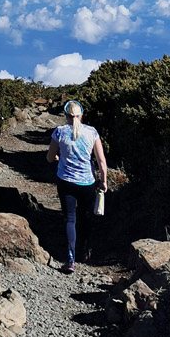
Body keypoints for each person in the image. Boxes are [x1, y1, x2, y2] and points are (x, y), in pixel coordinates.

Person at [46, 99, 107, 273]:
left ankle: (71, 258)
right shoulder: (92, 132)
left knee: (70, 218)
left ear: (66, 115)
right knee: (86, 216)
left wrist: (57, 158)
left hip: (66, 181)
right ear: (81, 115)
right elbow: (101, 161)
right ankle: (86, 251)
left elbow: (50, 158)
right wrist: (104, 182)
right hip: (87, 182)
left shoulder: (59, 132)